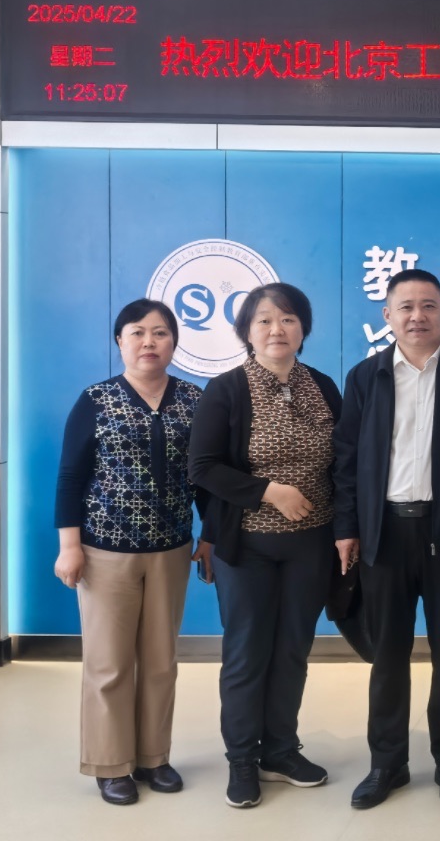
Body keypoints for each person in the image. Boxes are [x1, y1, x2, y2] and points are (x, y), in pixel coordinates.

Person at [332, 268, 440, 810]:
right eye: (405, 307)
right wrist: (347, 527)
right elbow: (346, 461)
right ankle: (387, 763)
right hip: (383, 532)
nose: (417, 316)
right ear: (387, 315)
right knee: (388, 654)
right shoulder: (366, 376)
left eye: (429, 305)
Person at [188, 282, 341, 809]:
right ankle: (241, 760)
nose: (278, 329)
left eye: (288, 319)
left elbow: (344, 459)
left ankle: (280, 751)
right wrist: (269, 492)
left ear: (303, 328)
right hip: (247, 545)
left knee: (293, 649)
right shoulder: (226, 389)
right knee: (247, 652)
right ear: (247, 332)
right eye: (265, 320)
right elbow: (203, 467)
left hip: (312, 543)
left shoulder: (322, 386)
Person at [53, 299, 204, 806]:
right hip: (104, 552)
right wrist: (69, 546)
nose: (148, 342)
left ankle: (154, 758)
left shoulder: (194, 399)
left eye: (160, 333)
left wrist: (210, 535)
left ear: (174, 342)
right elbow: (70, 476)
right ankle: (111, 764)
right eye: (137, 332)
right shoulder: (96, 400)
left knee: (160, 661)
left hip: (172, 548)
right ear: (120, 341)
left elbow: (204, 475)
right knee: (109, 663)